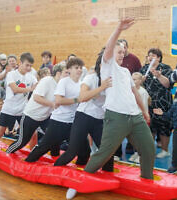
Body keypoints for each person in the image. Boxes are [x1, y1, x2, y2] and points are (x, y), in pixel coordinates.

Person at [65, 18, 155, 200]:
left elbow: (135, 93)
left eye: (124, 52)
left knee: (149, 149)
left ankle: (147, 183)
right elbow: (108, 49)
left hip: (135, 117)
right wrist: (119, 29)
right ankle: (78, 184)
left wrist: (144, 111)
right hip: (116, 117)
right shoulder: (107, 67)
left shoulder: (125, 72)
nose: (122, 55)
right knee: (104, 153)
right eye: (118, 51)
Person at [54, 50, 114, 171]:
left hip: (99, 119)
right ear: (101, 66)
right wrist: (102, 87)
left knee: (107, 152)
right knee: (72, 151)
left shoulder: (112, 80)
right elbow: (82, 97)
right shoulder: (91, 78)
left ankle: (108, 177)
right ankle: (55, 170)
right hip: (84, 117)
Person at [25, 58, 84, 162]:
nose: (79, 70)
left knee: (83, 149)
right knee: (44, 146)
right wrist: (77, 99)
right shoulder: (62, 82)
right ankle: (28, 161)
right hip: (57, 121)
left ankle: (79, 170)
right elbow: (58, 100)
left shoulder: (79, 83)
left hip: (71, 121)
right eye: (76, 68)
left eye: (80, 68)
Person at [6, 64, 63, 154]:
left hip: (45, 117)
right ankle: (7, 154)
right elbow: (36, 98)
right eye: (67, 73)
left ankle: (55, 159)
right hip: (31, 116)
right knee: (22, 142)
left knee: (54, 138)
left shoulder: (62, 84)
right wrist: (52, 104)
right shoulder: (47, 81)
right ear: (59, 73)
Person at [0, 52, 37, 143]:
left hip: (22, 111)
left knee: (33, 134)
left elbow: (38, 86)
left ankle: (32, 156)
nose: (29, 68)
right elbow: (15, 89)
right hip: (9, 110)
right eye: (27, 65)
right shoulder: (11, 74)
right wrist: (30, 88)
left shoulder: (31, 77)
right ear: (20, 63)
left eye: (31, 66)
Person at [140, 48, 173, 158]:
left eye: (153, 56)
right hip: (149, 104)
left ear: (159, 58)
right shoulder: (144, 69)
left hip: (163, 103)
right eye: (149, 55)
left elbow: (168, 84)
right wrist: (141, 81)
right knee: (150, 127)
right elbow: (137, 86)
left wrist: (159, 76)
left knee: (165, 128)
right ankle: (150, 149)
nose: (150, 58)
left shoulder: (166, 68)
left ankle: (165, 150)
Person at [129, 72, 151, 163]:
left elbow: (144, 106)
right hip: (132, 116)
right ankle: (137, 152)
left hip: (141, 117)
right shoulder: (130, 90)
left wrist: (144, 116)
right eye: (132, 78)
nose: (132, 81)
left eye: (135, 79)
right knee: (135, 137)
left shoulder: (143, 92)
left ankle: (142, 154)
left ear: (140, 81)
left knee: (141, 138)